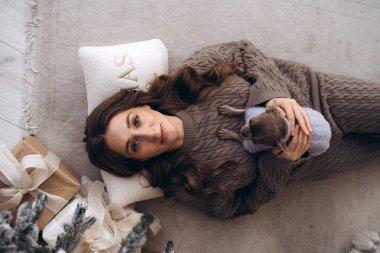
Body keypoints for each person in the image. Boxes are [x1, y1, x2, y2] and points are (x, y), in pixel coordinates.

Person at [83, 39, 380, 219]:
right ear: (140, 160)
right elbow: (242, 206)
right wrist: (280, 163)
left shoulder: (189, 78)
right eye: (135, 145)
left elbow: (244, 50)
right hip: (319, 159)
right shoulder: (187, 183)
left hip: (318, 95)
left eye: (135, 121)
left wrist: (276, 95)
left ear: (142, 107)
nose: (148, 133)